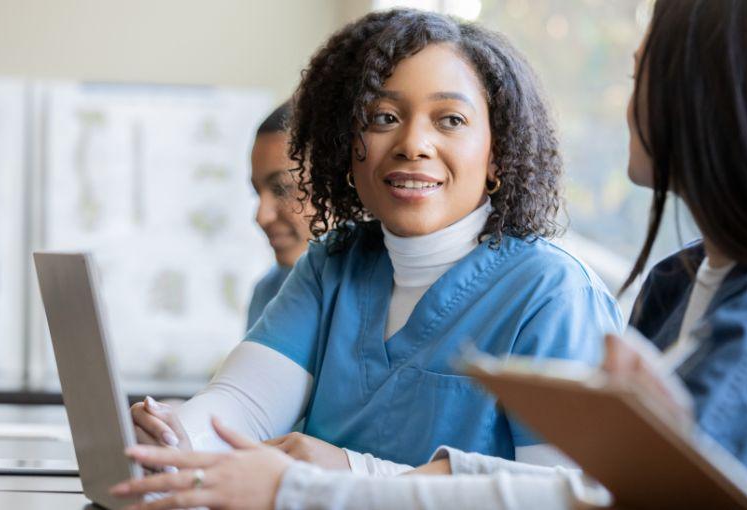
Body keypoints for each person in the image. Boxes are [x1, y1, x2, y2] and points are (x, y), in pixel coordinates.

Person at [113, 0, 747, 508]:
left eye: (641, 77)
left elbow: (594, 500)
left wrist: (316, 485)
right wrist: (191, 435)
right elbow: (592, 489)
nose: (627, 106)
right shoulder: (673, 284)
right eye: (382, 116)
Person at [127, 5, 623, 485]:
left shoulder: (553, 296)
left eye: (450, 119)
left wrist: (351, 473)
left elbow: (563, 494)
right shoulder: (331, 265)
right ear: (347, 146)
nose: (413, 143)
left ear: (498, 155)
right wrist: (175, 436)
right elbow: (239, 406)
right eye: (384, 117)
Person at [246, 99, 313, 330]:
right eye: (256, 192)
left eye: (283, 188)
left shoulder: (393, 293)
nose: (261, 217)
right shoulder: (269, 293)